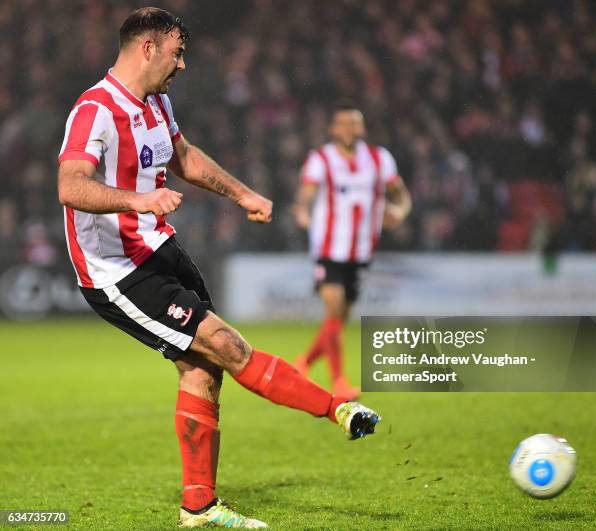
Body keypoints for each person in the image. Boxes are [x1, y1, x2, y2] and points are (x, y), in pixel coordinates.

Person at [57, 8, 381, 529]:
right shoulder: (94, 110)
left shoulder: (157, 102)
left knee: (204, 368)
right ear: (147, 47)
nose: (182, 64)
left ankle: (199, 509)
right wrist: (136, 202)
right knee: (226, 346)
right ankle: (336, 410)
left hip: (159, 249)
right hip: (115, 271)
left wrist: (243, 194)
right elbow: (70, 186)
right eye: (177, 52)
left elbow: (183, 157)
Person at [293, 102, 411, 399]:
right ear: (333, 129)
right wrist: (302, 211)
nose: (348, 129)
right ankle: (340, 384)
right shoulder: (321, 159)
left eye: (354, 123)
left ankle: (303, 363)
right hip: (329, 248)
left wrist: (401, 211)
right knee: (334, 310)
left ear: (362, 128)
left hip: (360, 251)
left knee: (337, 320)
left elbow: (401, 194)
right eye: (342, 123)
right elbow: (306, 193)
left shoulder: (379, 159)